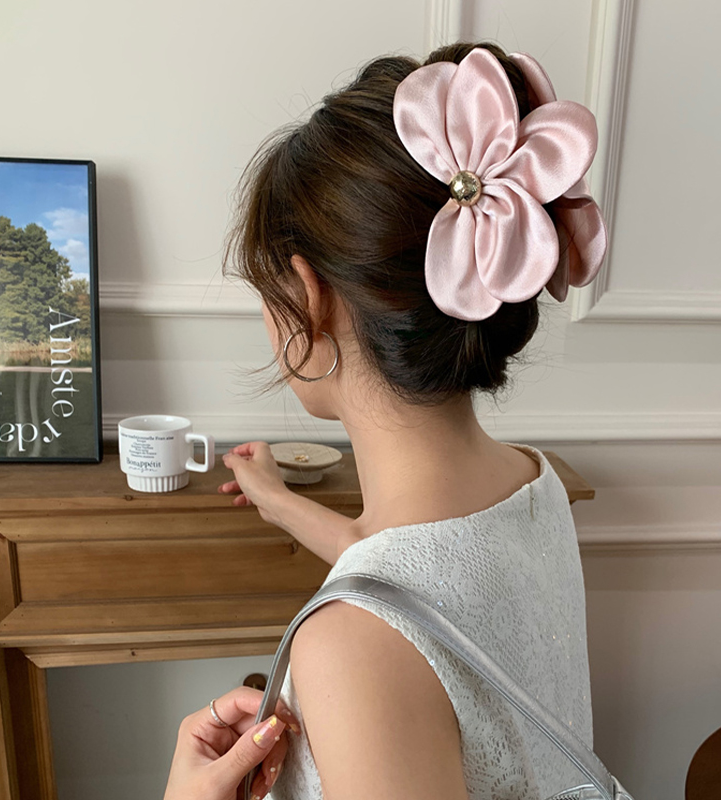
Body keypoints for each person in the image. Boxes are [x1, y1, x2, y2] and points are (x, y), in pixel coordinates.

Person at [165, 40, 606, 800]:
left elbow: (395, 603)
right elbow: (412, 577)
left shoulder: (352, 649)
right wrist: (278, 501)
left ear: (308, 298)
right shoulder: (529, 483)